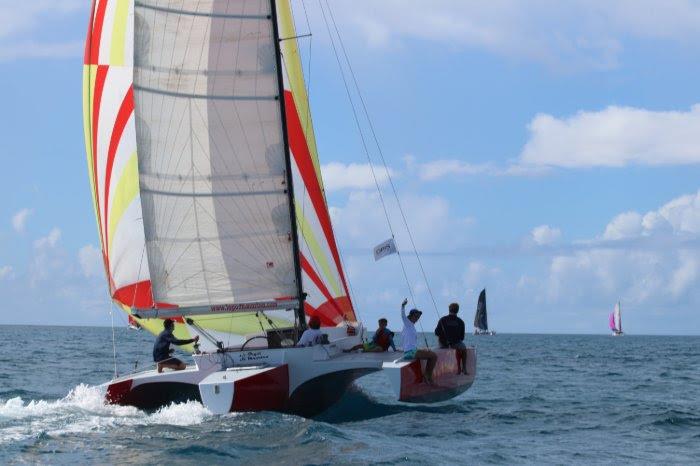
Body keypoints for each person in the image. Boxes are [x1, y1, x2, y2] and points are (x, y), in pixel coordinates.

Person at [400, 298, 437, 384]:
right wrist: (403, 305)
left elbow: (410, 342)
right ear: (411, 316)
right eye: (416, 316)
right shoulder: (407, 323)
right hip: (410, 353)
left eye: (418, 317)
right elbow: (403, 316)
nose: (417, 318)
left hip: (412, 351)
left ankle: (425, 376)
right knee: (434, 356)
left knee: (429, 352)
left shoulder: (411, 326)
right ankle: (428, 376)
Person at [435, 302, 468, 374]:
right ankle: (464, 368)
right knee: (464, 348)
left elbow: (436, 333)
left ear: (449, 310)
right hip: (456, 344)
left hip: (443, 344)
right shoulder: (461, 322)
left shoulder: (442, 319)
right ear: (457, 310)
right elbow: (462, 338)